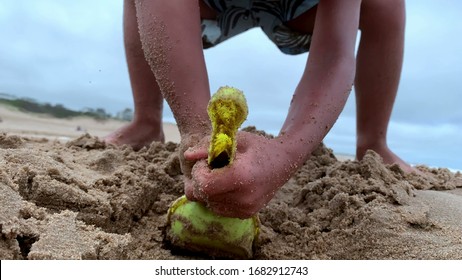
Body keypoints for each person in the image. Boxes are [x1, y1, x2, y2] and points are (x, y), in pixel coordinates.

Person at [105, 0, 413, 218]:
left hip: (302, 9)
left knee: (386, 5)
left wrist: (287, 152)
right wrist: (197, 130)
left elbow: (335, 55)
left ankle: (373, 142)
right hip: (211, 5)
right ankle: (146, 121)